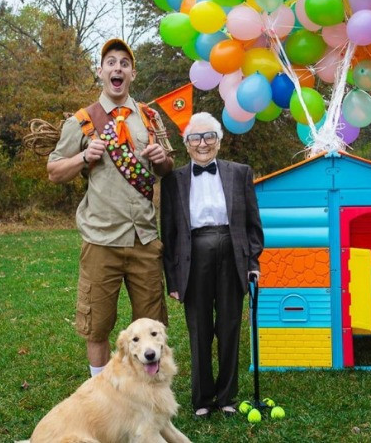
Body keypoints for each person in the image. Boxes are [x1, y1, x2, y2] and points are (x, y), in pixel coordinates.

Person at [47, 38, 174, 378]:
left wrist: (162, 159)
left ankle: (149, 397)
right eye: (111, 63)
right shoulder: (82, 120)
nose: (117, 68)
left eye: (124, 63)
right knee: (97, 325)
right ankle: (101, 396)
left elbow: (167, 167)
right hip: (101, 239)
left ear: (132, 73)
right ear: (101, 72)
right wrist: (81, 157)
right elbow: (54, 170)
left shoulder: (149, 117)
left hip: (144, 239)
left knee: (151, 325)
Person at [159, 112, 264, 418]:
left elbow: (252, 223)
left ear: (219, 140)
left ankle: (227, 396)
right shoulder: (173, 180)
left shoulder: (240, 173)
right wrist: (174, 280)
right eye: (195, 138)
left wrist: (252, 260)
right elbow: (170, 233)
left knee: (230, 326)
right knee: (199, 329)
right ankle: (203, 399)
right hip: (194, 256)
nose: (202, 143)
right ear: (186, 143)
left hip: (233, 253)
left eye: (209, 137)